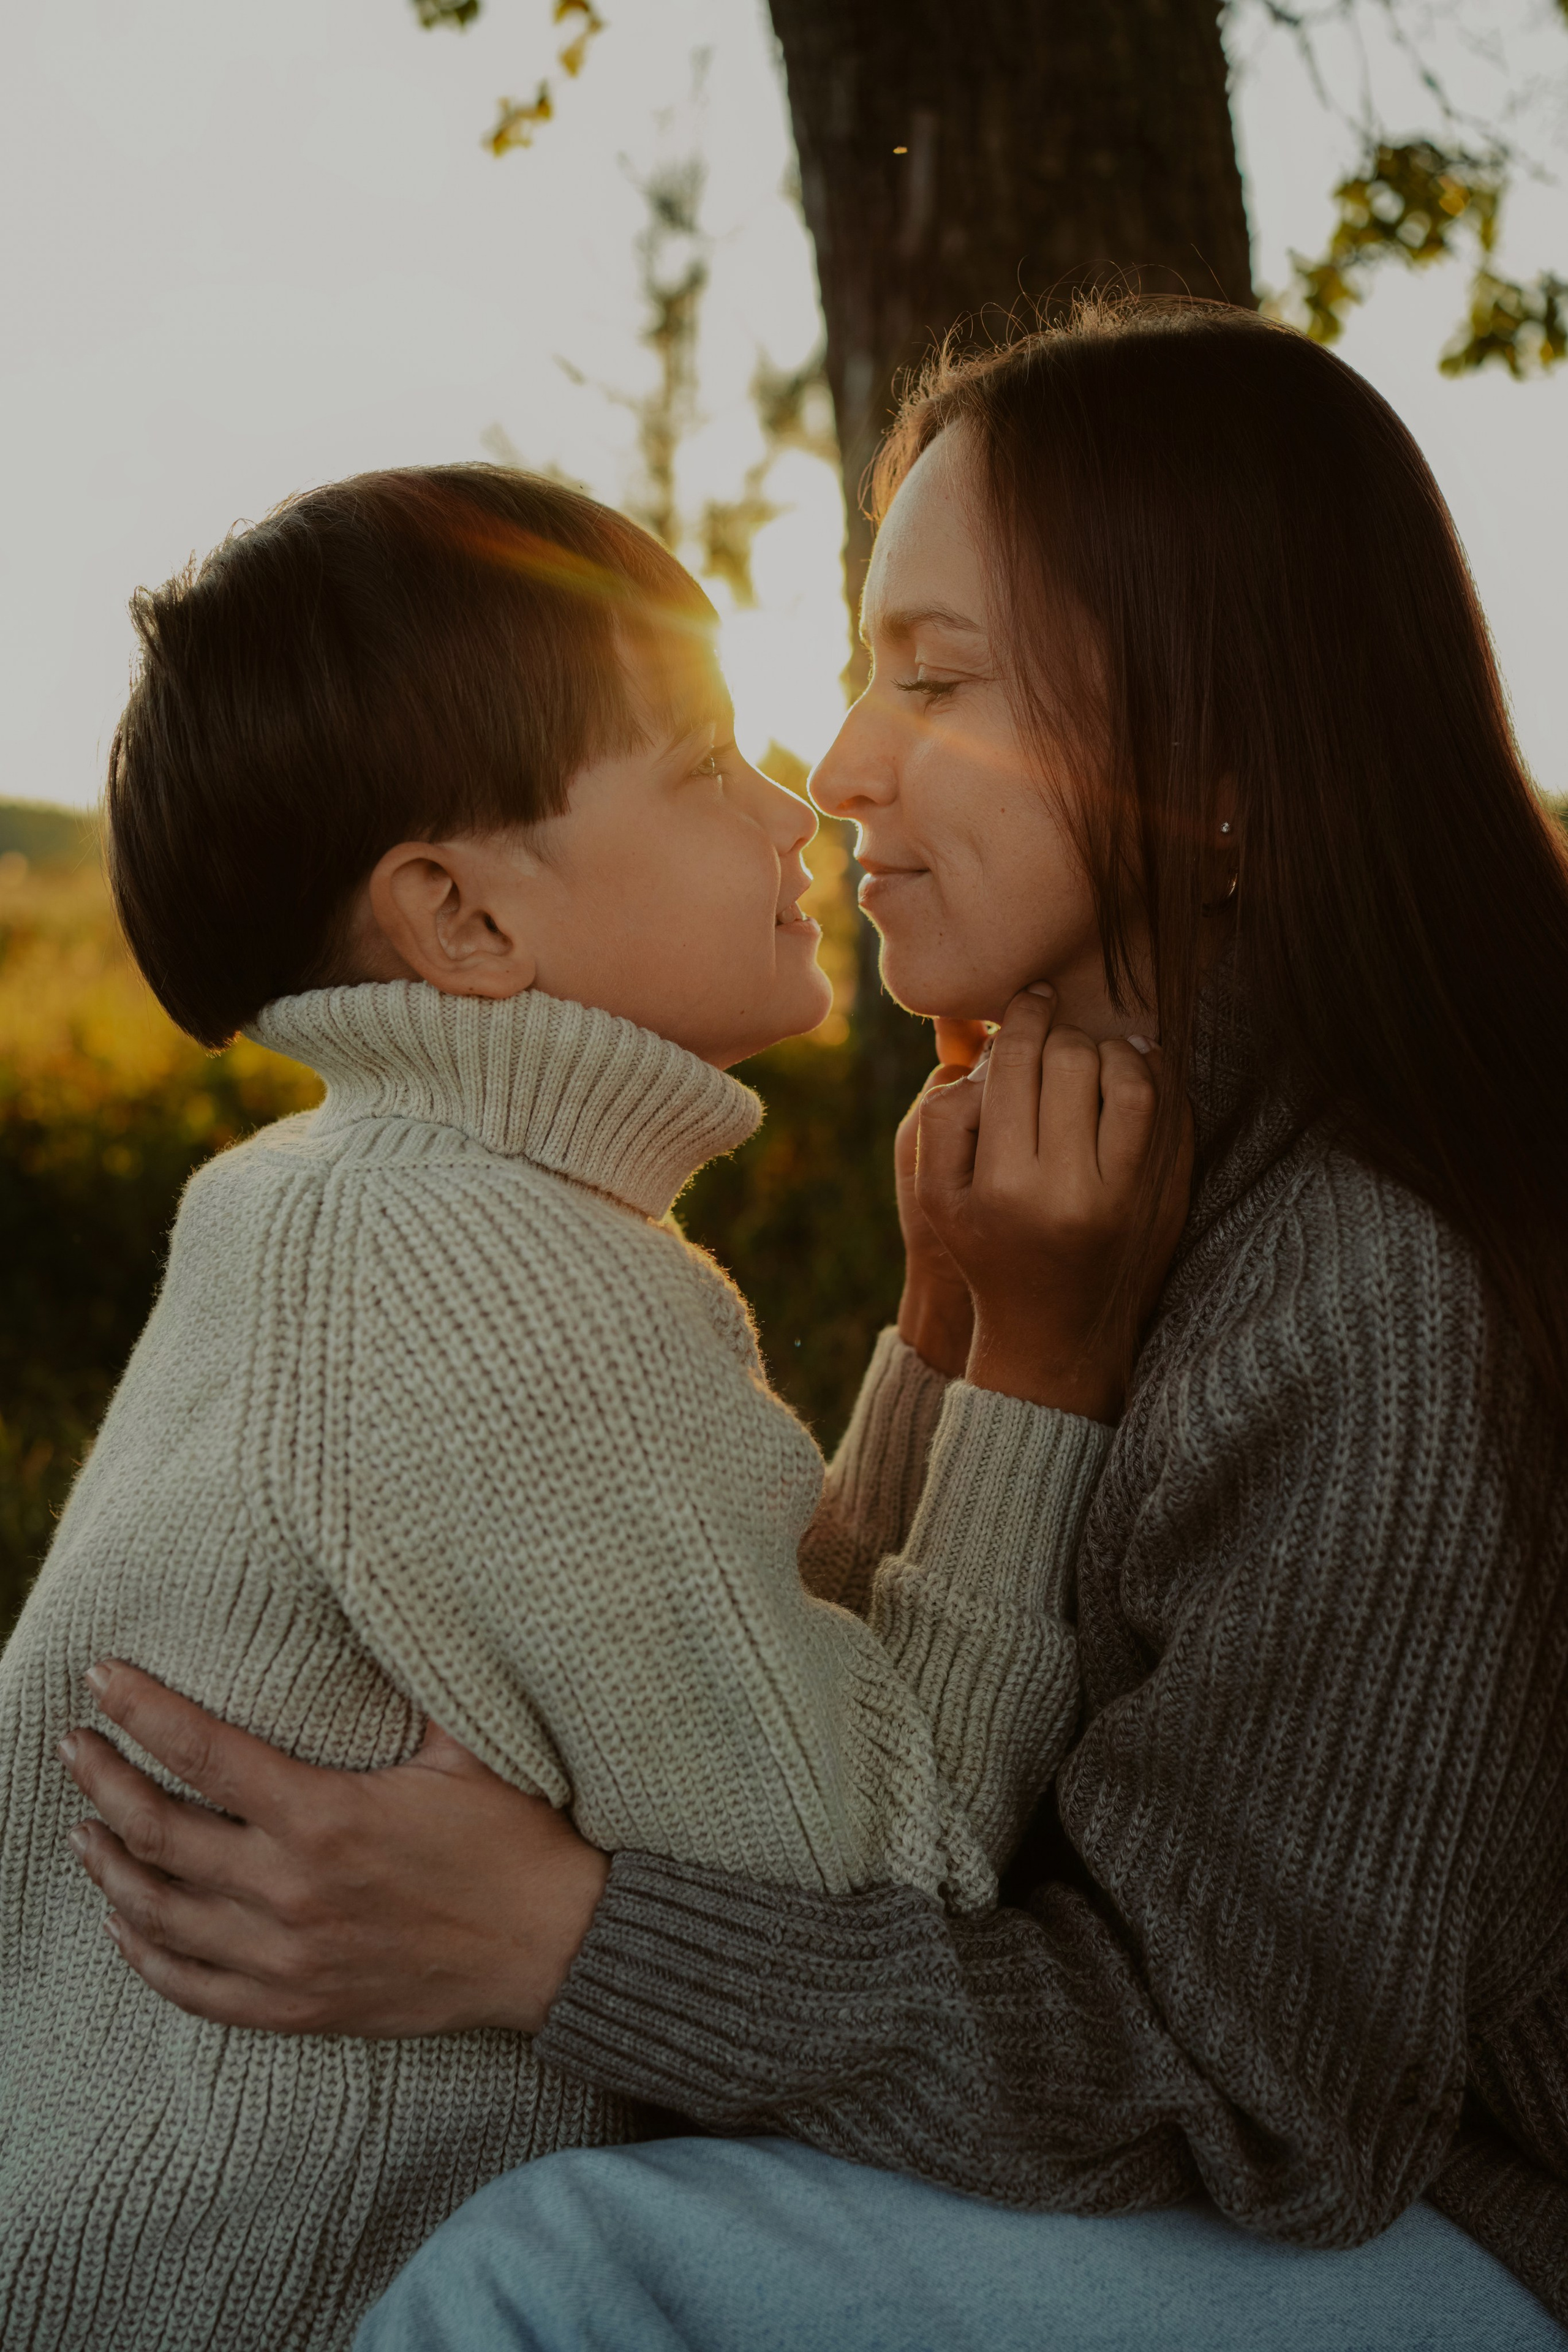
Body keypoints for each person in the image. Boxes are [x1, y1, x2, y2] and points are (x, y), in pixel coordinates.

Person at [61, 301, 1568, 2348]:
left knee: (565, 2273)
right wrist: (960, 1330)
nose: (839, 764)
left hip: (1446, 2227)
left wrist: (556, 1938)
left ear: (1216, 771)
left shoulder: (1364, 1286)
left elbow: (1262, 2097)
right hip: (1163, 2167)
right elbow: (827, 1739)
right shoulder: (1067, 1180)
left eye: (934, 678)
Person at [0, 463, 1184, 2351]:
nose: (795, 807)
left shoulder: (324, 1210)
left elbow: (768, 1700)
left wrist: (944, 1315)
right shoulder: (499, 1280)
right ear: (464, 919)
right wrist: (1047, 1367)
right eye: (702, 761)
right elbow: (887, 1886)